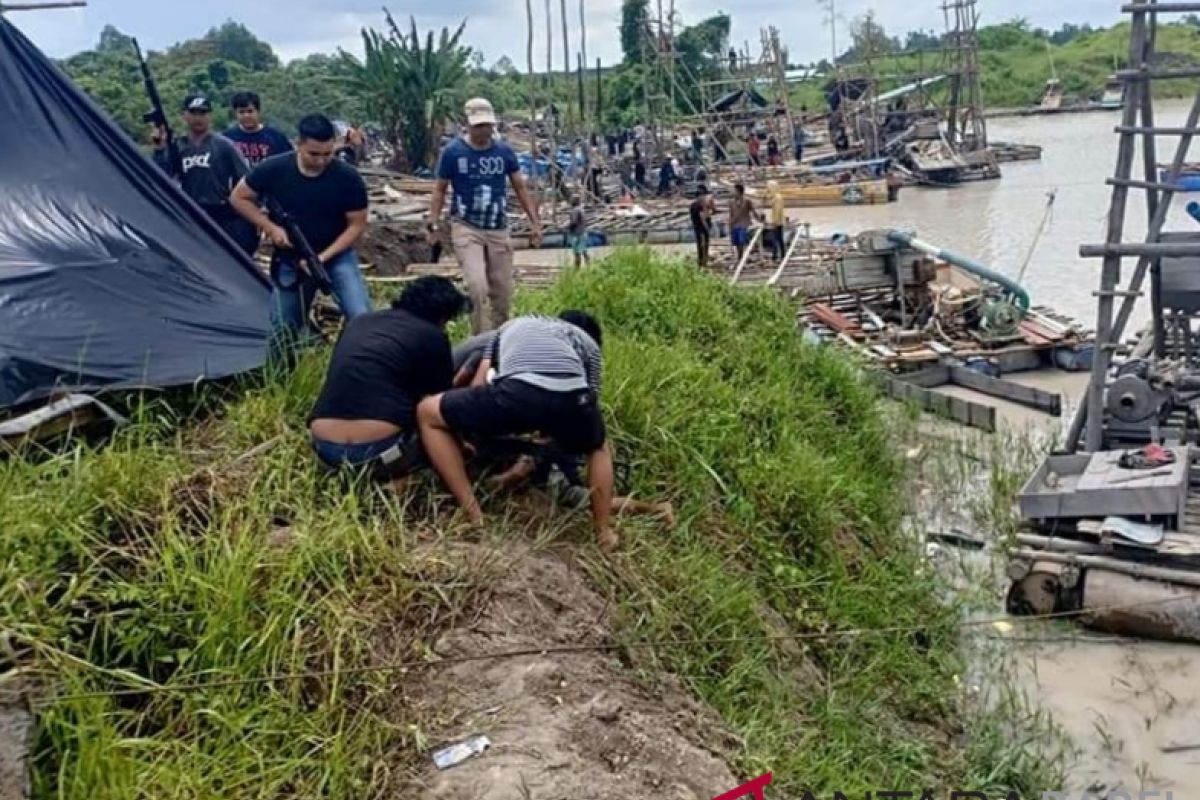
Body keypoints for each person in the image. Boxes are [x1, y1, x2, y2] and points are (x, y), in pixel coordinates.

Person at [416, 312, 617, 551]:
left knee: (427, 412)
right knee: (598, 447)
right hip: (572, 397)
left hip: (518, 393)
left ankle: (474, 516)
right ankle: (603, 532)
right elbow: (590, 397)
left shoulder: (508, 327)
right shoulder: (588, 342)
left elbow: (479, 383)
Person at [308, 276, 471, 488]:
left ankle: (351, 476)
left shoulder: (360, 322)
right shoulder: (432, 336)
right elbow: (441, 405)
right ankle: (399, 480)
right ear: (443, 316)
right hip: (380, 451)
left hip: (324, 448)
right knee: (430, 418)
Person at [230, 113, 373, 338]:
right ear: (299, 145)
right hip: (290, 258)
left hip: (336, 257)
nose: (321, 160)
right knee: (282, 329)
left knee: (361, 317)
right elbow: (239, 197)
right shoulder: (274, 169)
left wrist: (322, 258)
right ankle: (283, 370)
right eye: (313, 154)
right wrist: (271, 227)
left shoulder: (347, 177)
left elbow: (356, 225)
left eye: (328, 154)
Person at [428, 97, 542, 335]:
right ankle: (480, 340)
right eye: (478, 125)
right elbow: (439, 189)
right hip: (465, 226)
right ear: (467, 124)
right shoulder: (453, 152)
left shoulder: (504, 152)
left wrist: (535, 222)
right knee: (476, 286)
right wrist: (434, 222)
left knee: (502, 291)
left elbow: (520, 187)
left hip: (497, 227)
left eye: (487, 125)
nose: (483, 131)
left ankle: (500, 339)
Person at [153, 93, 257, 255]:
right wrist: (159, 149)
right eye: (193, 113)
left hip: (221, 214)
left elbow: (247, 179)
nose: (198, 118)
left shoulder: (224, 146)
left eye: (203, 113)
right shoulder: (177, 146)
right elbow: (160, 176)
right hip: (190, 212)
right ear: (184, 115)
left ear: (210, 116)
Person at [223, 91, 293, 167]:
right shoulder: (227, 139)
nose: (246, 116)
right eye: (241, 112)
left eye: (250, 111)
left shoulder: (276, 138)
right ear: (235, 114)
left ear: (258, 111)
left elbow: (290, 164)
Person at [728, 183, 760, 262]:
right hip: (735, 225)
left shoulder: (747, 201)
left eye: (734, 191)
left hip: (744, 224)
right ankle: (740, 257)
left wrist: (760, 220)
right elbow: (731, 214)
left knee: (742, 241)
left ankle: (741, 257)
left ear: (739, 191)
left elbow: (753, 212)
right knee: (737, 243)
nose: (733, 192)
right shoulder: (731, 202)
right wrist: (730, 224)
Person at [689, 185, 716, 268]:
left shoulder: (692, 205)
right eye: (702, 196)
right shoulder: (699, 205)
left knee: (700, 245)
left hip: (696, 227)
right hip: (702, 228)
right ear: (699, 196)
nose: (703, 198)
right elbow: (702, 218)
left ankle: (701, 262)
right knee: (704, 245)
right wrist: (707, 228)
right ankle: (703, 262)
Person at [765, 180, 785, 260]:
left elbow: (777, 210)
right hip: (778, 221)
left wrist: (775, 222)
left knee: (776, 239)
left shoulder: (777, 198)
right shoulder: (776, 197)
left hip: (777, 222)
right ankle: (781, 254)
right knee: (779, 239)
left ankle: (776, 255)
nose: (768, 189)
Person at [567, 196, 590, 267]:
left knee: (577, 253)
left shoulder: (575, 210)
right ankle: (589, 266)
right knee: (584, 251)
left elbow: (574, 222)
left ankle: (577, 269)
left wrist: (568, 227)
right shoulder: (581, 210)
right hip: (583, 232)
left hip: (577, 234)